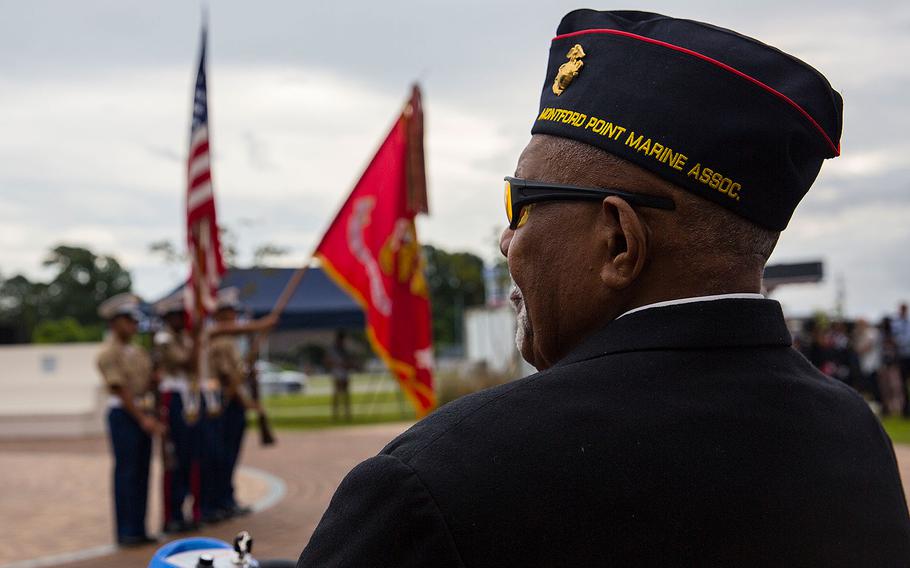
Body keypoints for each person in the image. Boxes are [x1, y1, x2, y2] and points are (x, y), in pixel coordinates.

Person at [297, 10, 910, 565]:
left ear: (619, 241)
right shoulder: (854, 437)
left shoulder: (440, 479)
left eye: (521, 205)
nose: (508, 242)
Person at [96, 293, 162, 547]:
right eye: (127, 320)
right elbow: (121, 390)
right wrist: (142, 419)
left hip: (141, 412)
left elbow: (145, 384)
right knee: (127, 473)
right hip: (125, 415)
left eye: (134, 320)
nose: (133, 325)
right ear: (113, 323)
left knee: (142, 473)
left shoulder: (137, 351)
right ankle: (126, 530)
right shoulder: (108, 352)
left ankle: (139, 526)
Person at [206, 287, 276, 519]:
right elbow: (227, 379)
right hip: (224, 405)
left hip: (233, 403)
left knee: (230, 455)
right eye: (228, 312)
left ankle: (226, 499)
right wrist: (246, 402)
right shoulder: (219, 340)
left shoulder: (232, 341)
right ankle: (219, 502)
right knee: (221, 456)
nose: (233, 317)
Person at [153, 291, 200, 533]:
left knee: (188, 456)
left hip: (186, 397)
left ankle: (183, 510)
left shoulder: (183, 337)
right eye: (178, 316)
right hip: (172, 398)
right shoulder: (164, 339)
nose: (182, 320)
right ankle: (171, 515)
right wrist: (197, 338)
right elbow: (185, 362)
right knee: (174, 460)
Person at [326, 329, 353, 422]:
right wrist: (338, 364)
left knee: (345, 394)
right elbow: (328, 361)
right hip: (337, 372)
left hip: (344, 372)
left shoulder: (343, 349)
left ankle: (347, 413)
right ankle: (336, 414)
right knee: (337, 394)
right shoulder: (333, 350)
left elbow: (349, 361)